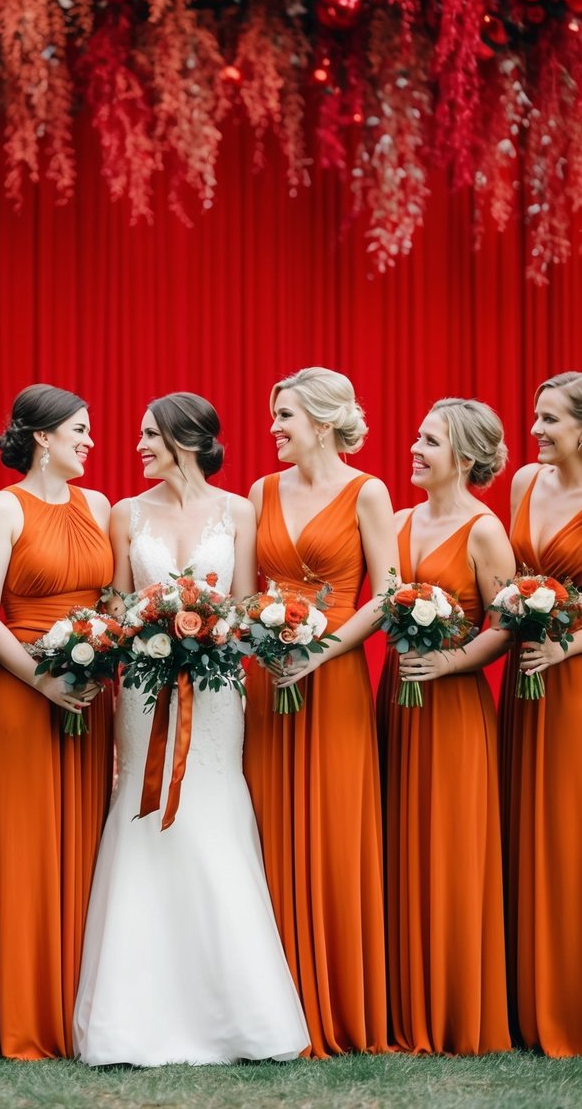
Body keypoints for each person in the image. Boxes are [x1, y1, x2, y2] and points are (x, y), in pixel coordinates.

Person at [73, 392, 308, 1066]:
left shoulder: (238, 511)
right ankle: (131, 1017)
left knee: (209, 816)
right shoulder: (125, 514)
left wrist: (209, 636)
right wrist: (143, 635)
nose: (139, 444)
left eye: (150, 434)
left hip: (214, 694)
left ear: (187, 438)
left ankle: (239, 1014)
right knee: (141, 814)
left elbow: (239, 606)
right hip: (143, 692)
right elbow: (115, 606)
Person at [243, 366, 393, 1056]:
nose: (273, 428)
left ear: (326, 422)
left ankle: (335, 998)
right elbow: (244, 594)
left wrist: (320, 651)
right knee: (267, 829)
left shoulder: (368, 493)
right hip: (269, 680)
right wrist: (264, 640)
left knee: (333, 829)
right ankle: (270, 1006)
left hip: (330, 683)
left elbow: (385, 595)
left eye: (285, 417)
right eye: (274, 416)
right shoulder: (260, 491)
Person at [0, 384, 114, 1059]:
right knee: (26, 851)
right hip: (26, 696)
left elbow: (112, 600)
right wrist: (41, 679)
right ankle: (24, 1012)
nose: (89, 441)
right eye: (78, 430)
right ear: (43, 437)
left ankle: (80, 1009)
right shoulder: (3, 507)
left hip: (89, 695)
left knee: (85, 846)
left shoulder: (99, 505)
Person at [378, 398, 512, 1054]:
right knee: (402, 844)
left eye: (427, 441)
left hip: (454, 707)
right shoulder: (397, 522)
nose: (413, 448)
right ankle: (404, 1006)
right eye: (414, 436)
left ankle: (457, 1008)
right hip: (396, 702)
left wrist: (450, 663)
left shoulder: (484, 530)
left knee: (451, 847)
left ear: (461, 456)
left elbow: (507, 623)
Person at [501, 371, 582, 1056]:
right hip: (524, 679)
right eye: (534, 417)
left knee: (566, 830)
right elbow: (509, 581)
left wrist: (568, 646)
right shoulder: (525, 483)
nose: (534, 431)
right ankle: (527, 1004)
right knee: (526, 825)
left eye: (549, 419)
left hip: (573, 680)